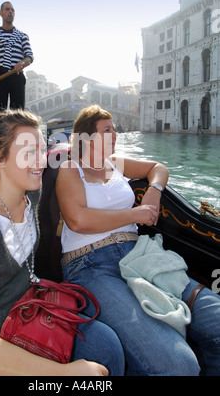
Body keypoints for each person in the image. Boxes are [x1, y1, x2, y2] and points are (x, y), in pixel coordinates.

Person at [0, 109, 125, 376]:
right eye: (28, 152)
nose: (40, 161)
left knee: (107, 347)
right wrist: (62, 374)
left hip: (23, 314)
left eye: (42, 150)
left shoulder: (31, 193)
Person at [56, 104, 220, 376]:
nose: (115, 134)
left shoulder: (116, 163)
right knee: (179, 366)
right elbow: (78, 221)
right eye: (107, 130)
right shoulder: (71, 170)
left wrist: (154, 191)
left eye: (114, 128)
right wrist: (136, 213)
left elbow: (158, 167)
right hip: (91, 265)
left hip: (138, 256)